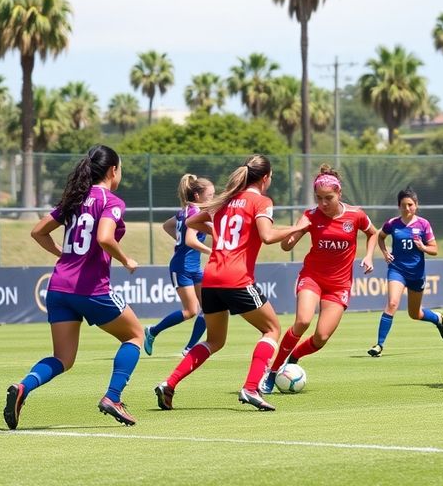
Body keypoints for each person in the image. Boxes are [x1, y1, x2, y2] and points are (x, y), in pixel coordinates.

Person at [153, 155, 308, 411]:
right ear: (266, 177)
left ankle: (169, 384)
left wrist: (219, 233)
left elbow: (192, 221)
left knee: (214, 340)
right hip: (236, 278)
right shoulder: (261, 201)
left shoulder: (225, 201)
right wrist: (297, 227)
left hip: (212, 276)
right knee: (272, 329)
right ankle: (250, 388)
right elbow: (267, 236)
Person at [4, 145, 143, 429]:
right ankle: (113, 397)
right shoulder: (111, 201)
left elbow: (37, 232)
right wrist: (126, 258)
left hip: (58, 288)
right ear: (112, 170)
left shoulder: (74, 199)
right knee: (135, 336)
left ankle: (23, 387)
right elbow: (105, 237)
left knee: (63, 358)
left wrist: (65, 255)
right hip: (91, 288)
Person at [260, 165, 379, 393]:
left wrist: (369, 256)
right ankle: (273, 372)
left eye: (328, 198)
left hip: (339, 285)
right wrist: (294, 233)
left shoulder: (356, 215)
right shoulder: (310, 215)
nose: (323, 203)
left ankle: (293, 357)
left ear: (339, 194)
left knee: (321, 336)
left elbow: (372, 233)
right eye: (319, 198)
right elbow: (286, 246)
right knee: (303, 321)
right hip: (312, 277)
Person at [367, 187, 443, 357]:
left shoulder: (423, 224)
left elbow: (435, 249)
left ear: (416, 205)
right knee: (392, 304)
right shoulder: (392, 224)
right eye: (404, 205)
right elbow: (380, 236)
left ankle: (437, 319)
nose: (407, 208)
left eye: (410, 205)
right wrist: (384, 252)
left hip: (416, 274)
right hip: (397, 270)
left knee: (415, 313)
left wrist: (423, 247)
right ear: (399, 206)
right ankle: (379, 345)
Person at [143, 174, 215, 356]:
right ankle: (152, 331)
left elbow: (167, 226)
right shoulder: (193, 213)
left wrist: (179, 239)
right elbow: (190, 241)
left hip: (193, 267)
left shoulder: (185, 212)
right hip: (181, 267)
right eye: (210, 195)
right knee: (191, 311)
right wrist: (210, 251)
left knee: (208, 307)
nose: (212, 199)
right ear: (197, 196)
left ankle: (190, 347)